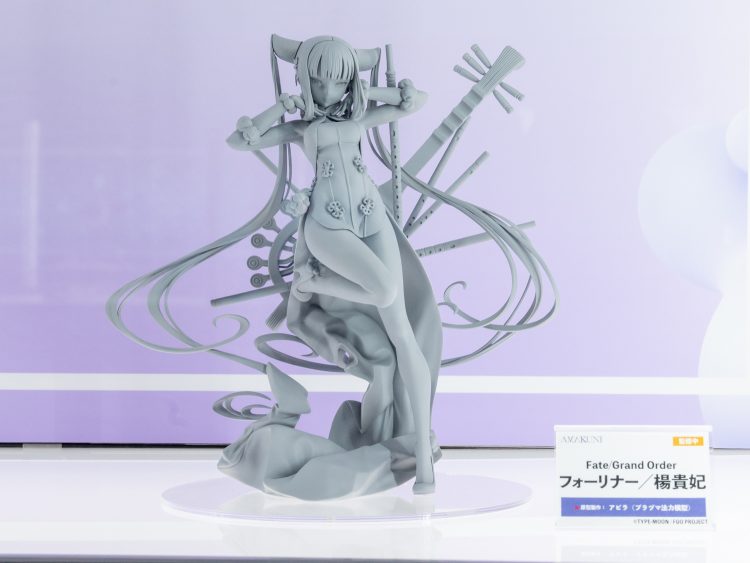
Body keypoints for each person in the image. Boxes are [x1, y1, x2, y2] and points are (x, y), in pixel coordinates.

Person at [227, 35, 438, 493]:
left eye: (339, 82)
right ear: (304, 80)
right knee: (385, 290)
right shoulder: (301, 128)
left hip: (371, 216)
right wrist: (280, 107)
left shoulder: (359, 115)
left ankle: (424, 457)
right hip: (328, 225)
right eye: (319, 82)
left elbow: (415, 101)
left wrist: (366, 92)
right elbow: (240, 141)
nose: (328, 92)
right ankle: (311, 282)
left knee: (403, 334)